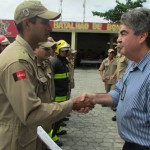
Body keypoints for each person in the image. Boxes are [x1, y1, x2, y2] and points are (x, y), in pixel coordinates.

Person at [0, 1, 94, 150]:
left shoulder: (26, 56)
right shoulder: (18, 61)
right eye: (44, 22)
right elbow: (31, 113)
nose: (49, 27)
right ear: (27, 24)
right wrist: (72, 104)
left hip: (28, 138)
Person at [83, 8, 150, 150]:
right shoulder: (132, 64)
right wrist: (94, 98)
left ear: (142, 36)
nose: (118, 39)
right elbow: (118, 93)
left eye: (124, 33)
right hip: (130, 144)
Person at [49, 39, 71, 145]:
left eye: (67, 50)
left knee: (60, 115)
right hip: (57, 95)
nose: (66, 52)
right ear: (58, 50)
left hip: (63, 93)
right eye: (64, 50)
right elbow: (50, 80)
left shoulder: (63, 61)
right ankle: (51, 136)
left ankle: (57, 130)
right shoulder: (55, 62)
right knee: (56, 117)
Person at [111, 44, 129, 121]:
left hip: (123, 81)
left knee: (122, 97)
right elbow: (118, 68)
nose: (117, 49)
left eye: (118, 48)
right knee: (119, 96)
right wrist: (114, 75)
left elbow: (131, 67)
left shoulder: (126, 57)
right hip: (118, 80)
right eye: (117, 48)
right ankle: (119, 112)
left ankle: (119, 114)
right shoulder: (119, 57)